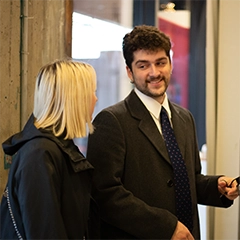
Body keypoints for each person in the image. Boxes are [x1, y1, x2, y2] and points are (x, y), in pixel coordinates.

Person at [86, 25, 239, 240]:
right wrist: (166, 227)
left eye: (160, 62)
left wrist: (217, 186)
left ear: (171, 64)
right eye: (143, 65)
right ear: (129, 72)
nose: (154, 73)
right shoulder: (111, 121)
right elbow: (105, 194)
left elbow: (188, 179)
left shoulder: (185, 118)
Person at [0, 59, 98, 240]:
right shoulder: (40, 154)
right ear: (74, 98)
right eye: (91, 92)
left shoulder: (53, 148)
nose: (95, 98)